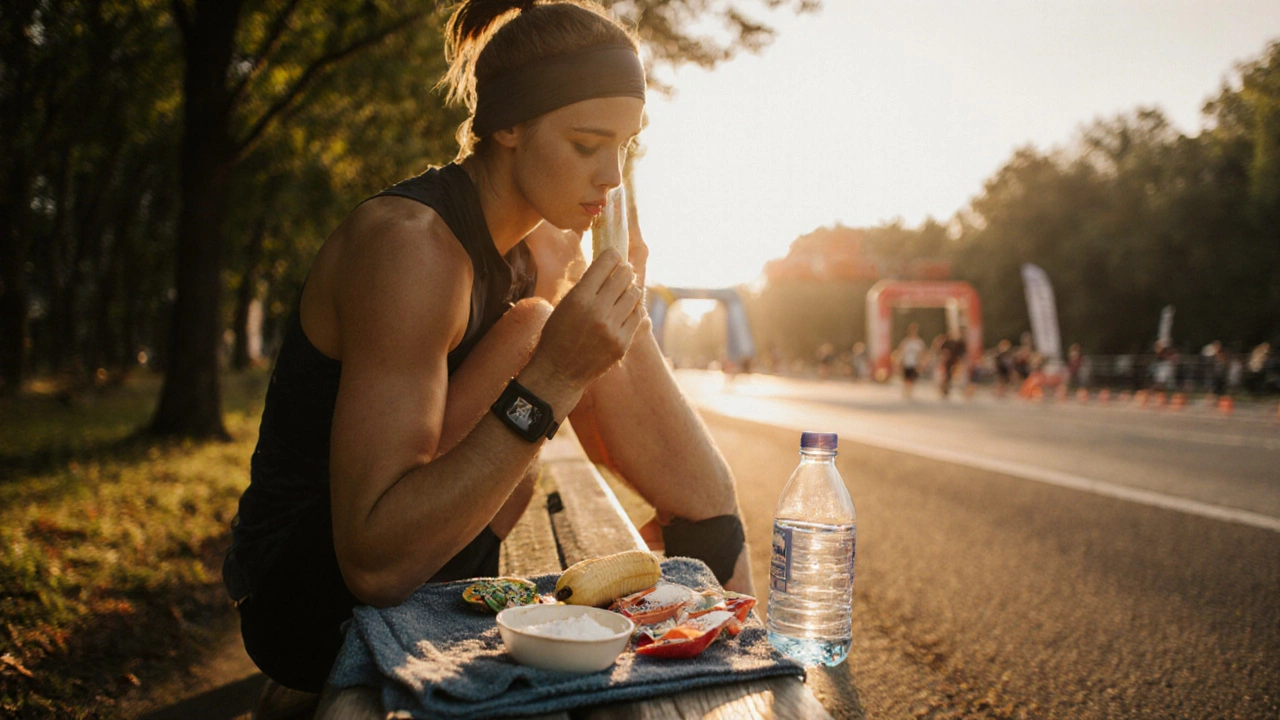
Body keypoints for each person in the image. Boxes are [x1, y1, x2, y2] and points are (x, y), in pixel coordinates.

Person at [221, 0, 752, 695]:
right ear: (506, 126)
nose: (612, 176)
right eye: (588, 144)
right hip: (310, 605)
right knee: (542, 325)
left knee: (706, 495)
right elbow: (372, 564)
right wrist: (555, 374)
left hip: (441, 560)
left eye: (625, 145)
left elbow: (697, 489)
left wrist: (623, 299)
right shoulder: (411, 248)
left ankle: (747, 677)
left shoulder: (538, 241)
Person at [896, 323, 926, 399]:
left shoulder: (919, 342)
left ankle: (909, 391)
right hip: (906, 362)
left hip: (915, 363)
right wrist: (899, 362)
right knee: (907, 378)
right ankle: (907, 391)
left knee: (912, 379)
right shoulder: (905, 342)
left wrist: (921, 363)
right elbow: (901, 352)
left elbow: (922, 353)